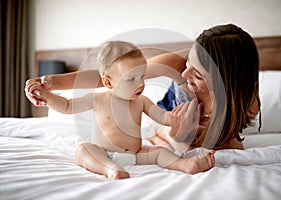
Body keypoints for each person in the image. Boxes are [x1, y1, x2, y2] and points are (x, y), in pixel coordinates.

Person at [25, 24, 260, 151]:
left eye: (197, 74)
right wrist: (52, 82)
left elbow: (230, 140)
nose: (185, 73)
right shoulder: (177, 64)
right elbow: (114, 78)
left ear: (225, 82)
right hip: (163, 125)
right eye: (189, 62)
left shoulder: (246, 103)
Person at [33, 40, 215, 179]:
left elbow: (163, 117)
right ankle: (110, 169)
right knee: (83, 149)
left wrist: (178, 118)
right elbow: (66, 106)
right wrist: (48, 97)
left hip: (136, 154)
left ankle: (186, 165)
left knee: (160, 152)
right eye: (131, 79)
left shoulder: (141, 101)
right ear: (108, 82)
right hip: (105, 153)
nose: (141, 84)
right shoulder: (98, 99)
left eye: (143, 76)